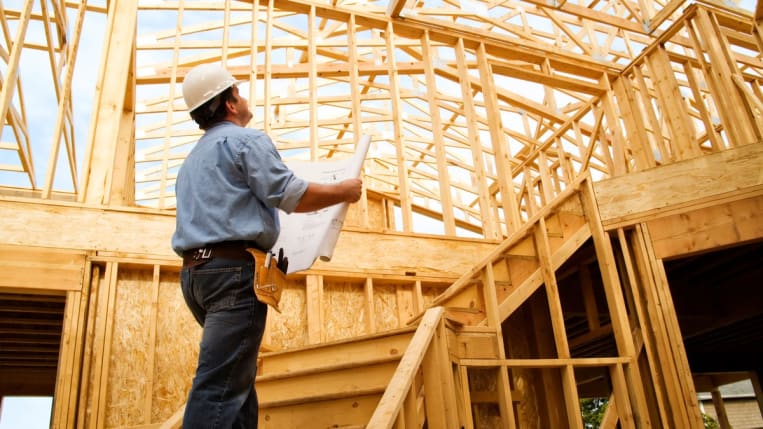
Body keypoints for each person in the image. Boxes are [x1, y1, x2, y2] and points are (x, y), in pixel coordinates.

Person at [171, 63, 362, 429]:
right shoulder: (245, 141)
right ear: (229, 104)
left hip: (196, 278)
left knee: (235, 382)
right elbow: (292, 195)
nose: (242, 98)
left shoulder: (191, 161)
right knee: (218, 388)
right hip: (232, 274)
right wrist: (345, 190)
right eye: (237, 93)